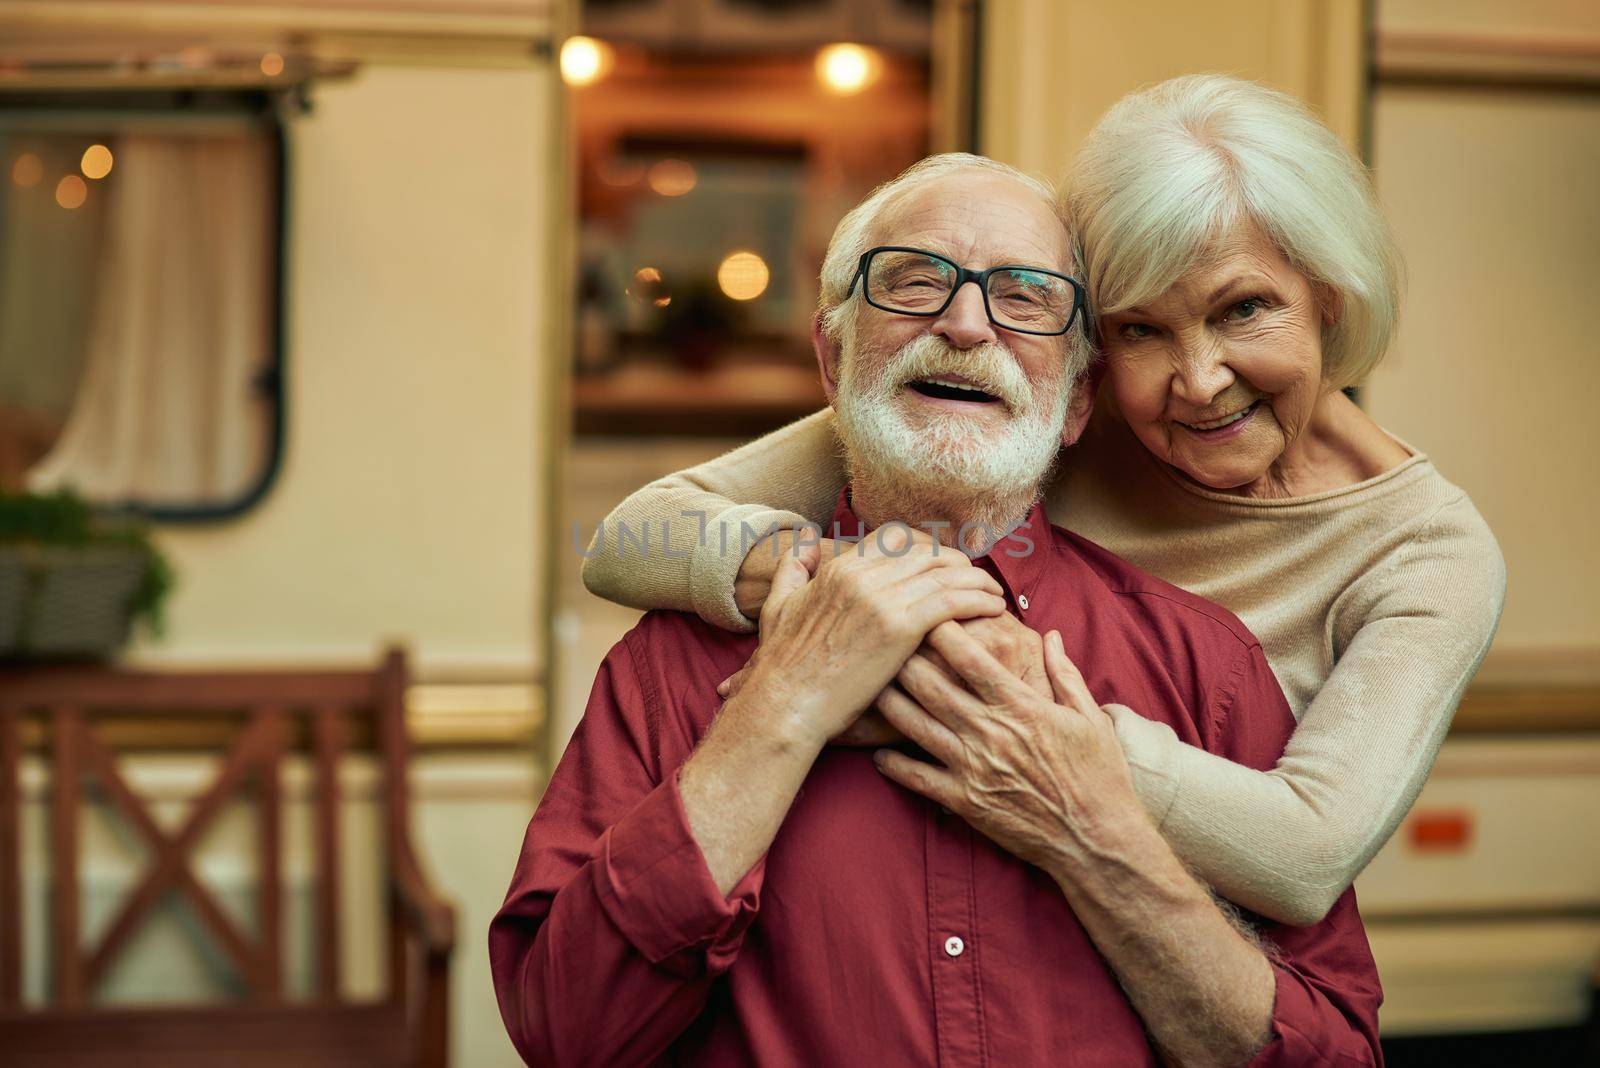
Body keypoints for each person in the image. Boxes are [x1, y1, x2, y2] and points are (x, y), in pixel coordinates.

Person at [492, 153, 1382, 1066]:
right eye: (915, 282)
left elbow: (1336, 1055)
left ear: (1078, 398)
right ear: (833, 360)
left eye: (1025, 297)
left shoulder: (1207, 668)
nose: (964, 324)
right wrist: (777, 713)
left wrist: (1097, 842)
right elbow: (564, 1032)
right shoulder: (670, 665)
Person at [579, 74, 1506, 926]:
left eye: (1242, 311)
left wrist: (1004, 708)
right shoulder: (1047, 408)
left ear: (1330, 304)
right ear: (1090, 363)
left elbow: (1307, 856)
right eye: (1141, 328)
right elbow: (634, 536)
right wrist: (856, 590)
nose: (1198, 381)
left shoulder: (1425, 550)